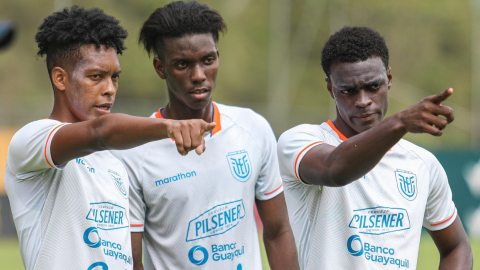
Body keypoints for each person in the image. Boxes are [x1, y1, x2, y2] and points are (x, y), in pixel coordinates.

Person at [4, 6, 214, 270]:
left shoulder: (114, 165)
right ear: (60, 78)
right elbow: (101, 132)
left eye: (114, 77)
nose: (110, 89)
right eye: (96, 77)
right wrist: (169, 127)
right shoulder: (32, 140)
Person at [112, 2, 300, 269]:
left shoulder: (253, 129)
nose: (199, 75)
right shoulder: (132, 153)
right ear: (160, 67)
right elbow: (132, 261)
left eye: (207, 60)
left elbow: (277, 231)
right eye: (182, 64)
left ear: (217, 57)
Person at [277, 26, 473, 270]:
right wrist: (399, 122)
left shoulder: (422, 164)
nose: (363, 101)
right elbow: (335, 170)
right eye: (348, 91)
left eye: (373, 86)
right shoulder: (299, 141)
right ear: (331, 89)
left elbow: (457, 247)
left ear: (389, 80)